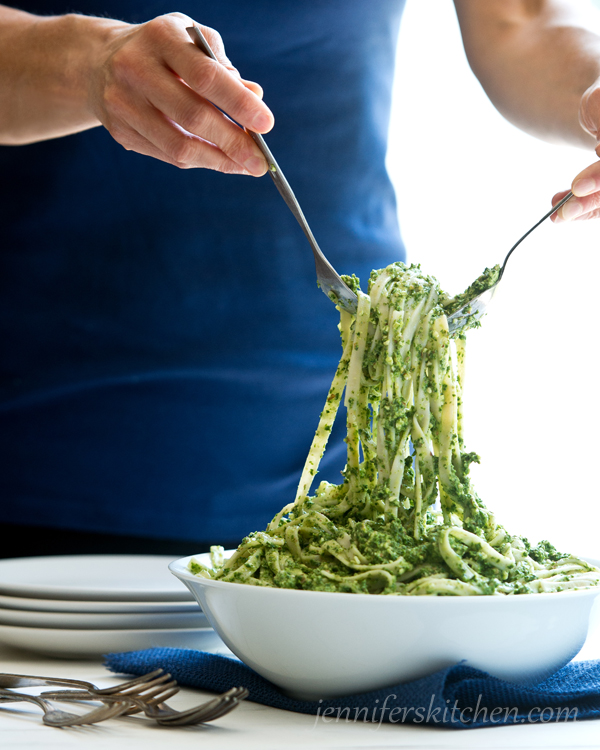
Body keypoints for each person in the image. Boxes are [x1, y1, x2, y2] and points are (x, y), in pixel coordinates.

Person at [1, 0, 599, 557]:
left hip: (342, 446)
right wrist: (88, 61)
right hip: (39, 441)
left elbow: (520, 23)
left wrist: (593, 92)